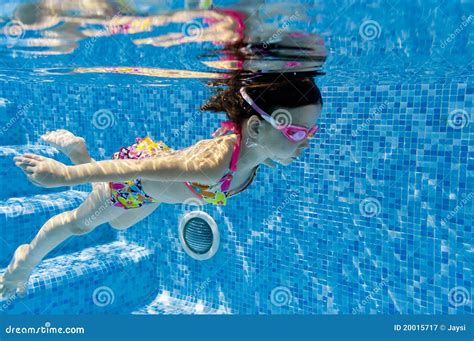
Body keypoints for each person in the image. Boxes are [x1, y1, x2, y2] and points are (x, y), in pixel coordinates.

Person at [0, 76, 323, 298]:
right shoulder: (212, 166)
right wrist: (64, 176)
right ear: (254, 126)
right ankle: (23, 263)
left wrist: (278, 145)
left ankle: (78, 151)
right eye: (297, 132)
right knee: (79, 225)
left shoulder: (256, 152)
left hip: (156, 190)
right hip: (137, 179)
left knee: (119, 221)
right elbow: (132, 168)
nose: (306, 142)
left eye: (312, 132)